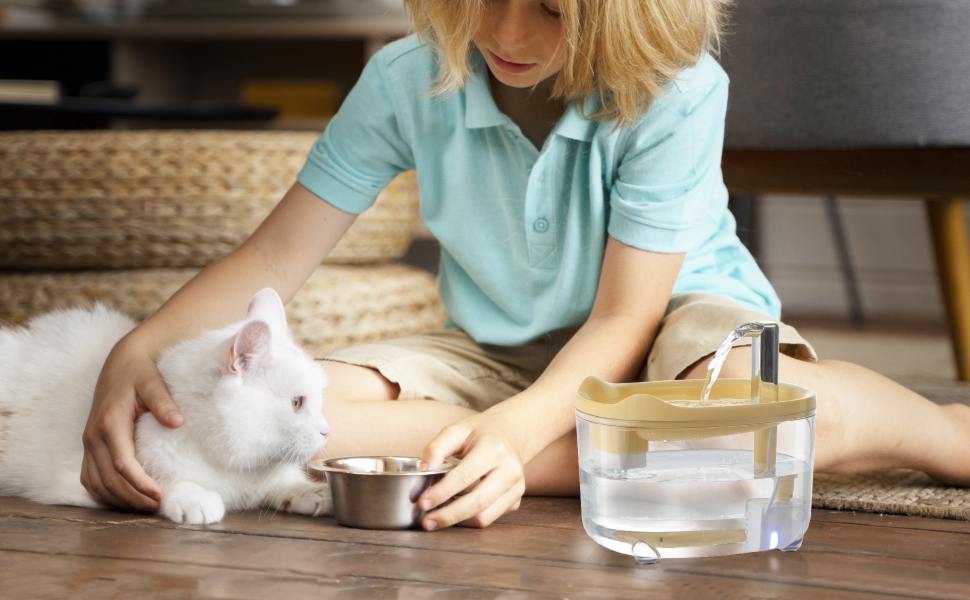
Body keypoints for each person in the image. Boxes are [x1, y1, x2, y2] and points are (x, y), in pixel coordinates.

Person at [82, 0, 970, 531]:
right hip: (498, 350)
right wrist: (141, 347)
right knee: (301, 426)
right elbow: (272, 256)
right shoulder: (408, 76)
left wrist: (517, 436)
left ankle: (937, 433)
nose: (504, 30)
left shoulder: (678, 88)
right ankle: (664, 454)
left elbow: (625, 320)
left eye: (552, 3)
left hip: (675, 327)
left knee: (747, 408)